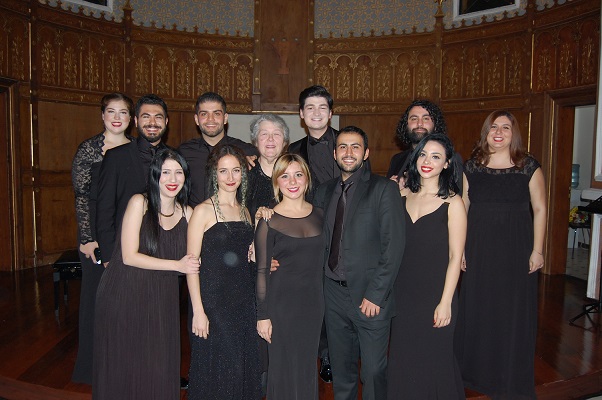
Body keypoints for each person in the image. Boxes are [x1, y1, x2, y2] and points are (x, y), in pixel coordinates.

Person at [92, 148, 199, 399]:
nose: (172, 179)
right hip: (124, 291)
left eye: (178, 172)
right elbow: (129, 257)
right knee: (126, 362)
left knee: (158, 363)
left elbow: (199, 253)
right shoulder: (139, 203)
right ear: (155, 175)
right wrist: (177, 265)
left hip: (162, 296)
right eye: (165, 172)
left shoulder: (188, 212)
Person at [454, 110, 546, 399]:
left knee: (511, 311)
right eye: (494, 127)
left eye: (505, 127)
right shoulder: (472, 167)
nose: (499, 132)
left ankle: (508, 373)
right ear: (486, 132)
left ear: (513, 133)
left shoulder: (528, 166)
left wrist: (538, 250)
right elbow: (463, 207)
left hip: (516, 248)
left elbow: (540, 208)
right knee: (480, 307)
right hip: (479, 248)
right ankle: (476, 372)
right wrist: (460, 249)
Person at [313, 126, 405, 400]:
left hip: (370, 296)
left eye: (355, 146)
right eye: (342, 146)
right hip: (332, 294)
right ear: (334, 153)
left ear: (366, 153)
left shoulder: (384, 189)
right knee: (342, 370)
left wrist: (376, 294)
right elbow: (311, 236)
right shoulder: (323, 192)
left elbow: (394, 246)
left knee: (374, 371)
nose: (348, 152)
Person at [387, 133, 466, 399]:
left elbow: (455, 257)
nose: (427, 161)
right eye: (423, 154)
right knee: (403, 358)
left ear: (447, 163)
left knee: (434, 359)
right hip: (403, 293)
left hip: (436, 294)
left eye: (436, 156)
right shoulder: (400, 194)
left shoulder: (453, 202)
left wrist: (446, 302)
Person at [186, 144, 261, 400]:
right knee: (222, 368)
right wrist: (198, 311)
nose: (230, 177)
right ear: (214, 174)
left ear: (243, 173)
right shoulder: (202, 211)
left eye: (236, 170)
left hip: (243, 300)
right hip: (214, 302)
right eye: (223, 171)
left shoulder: (245, 210)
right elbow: (191, 266)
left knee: (241, 366)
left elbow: (246, 256)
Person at [71, 92, 134, 384]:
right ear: (103, 115)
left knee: (124, 300)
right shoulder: (89, 149)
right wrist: (88, 238)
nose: (117, 117)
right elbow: (82, 197)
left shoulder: (135, 149)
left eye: (123, 112)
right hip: (95, 233)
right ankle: (92, 368)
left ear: (131, 118)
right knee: (96, 299)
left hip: (126, 228)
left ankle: (121, 362)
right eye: (111, 111)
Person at [255, 154, 325, 399]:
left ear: (307, 179)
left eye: (298, 175)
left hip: (313, 305)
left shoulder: (321, 215)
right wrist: (262, 315)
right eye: (285, 176)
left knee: (307, 366)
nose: (292, 181)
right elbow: (261, 271)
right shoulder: (268, 220)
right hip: (281, 306)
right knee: (282, 368)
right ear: (277, 182)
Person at [288, 84, 338, 381]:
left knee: (333, 298)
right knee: (309, 296)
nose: (316, 113)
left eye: (322, 107)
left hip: (341, 232)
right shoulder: (293, 150)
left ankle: (332, 356)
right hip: (306, 233)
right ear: (301, 114)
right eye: (310, 108)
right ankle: (311, 353)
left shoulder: (348, 144)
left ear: (330, 113)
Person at [96, 94, 169, 264]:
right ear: (136, 121)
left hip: (166, 249)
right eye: (146, 116)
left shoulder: (175, 156)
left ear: (166, 122)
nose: (152, 122)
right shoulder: (115, 157)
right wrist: (108, 256)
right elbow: (105, 209)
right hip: (124, 251)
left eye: (158, 117)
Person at [179, 92, 258, 208]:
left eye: (216, 114)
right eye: (204, 114)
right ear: (196, 119)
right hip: (194, 217)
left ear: (225, 118)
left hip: (234, 217)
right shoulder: (183, 152)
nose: (210, 119)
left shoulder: (246, 151)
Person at [387, 99, 464, 194]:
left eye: (426, 118)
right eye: (414, 119)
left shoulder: (450, 158)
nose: (419, 123)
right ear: (406, 125)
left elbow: (453, 196)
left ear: (436, 124)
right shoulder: (397, 159)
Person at [246, 113, 290, 221]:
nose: (270, 139)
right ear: (256, 141)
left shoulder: (296, 174)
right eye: (264, 134)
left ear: (284, 142)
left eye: (276, 134)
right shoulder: (244, 173)